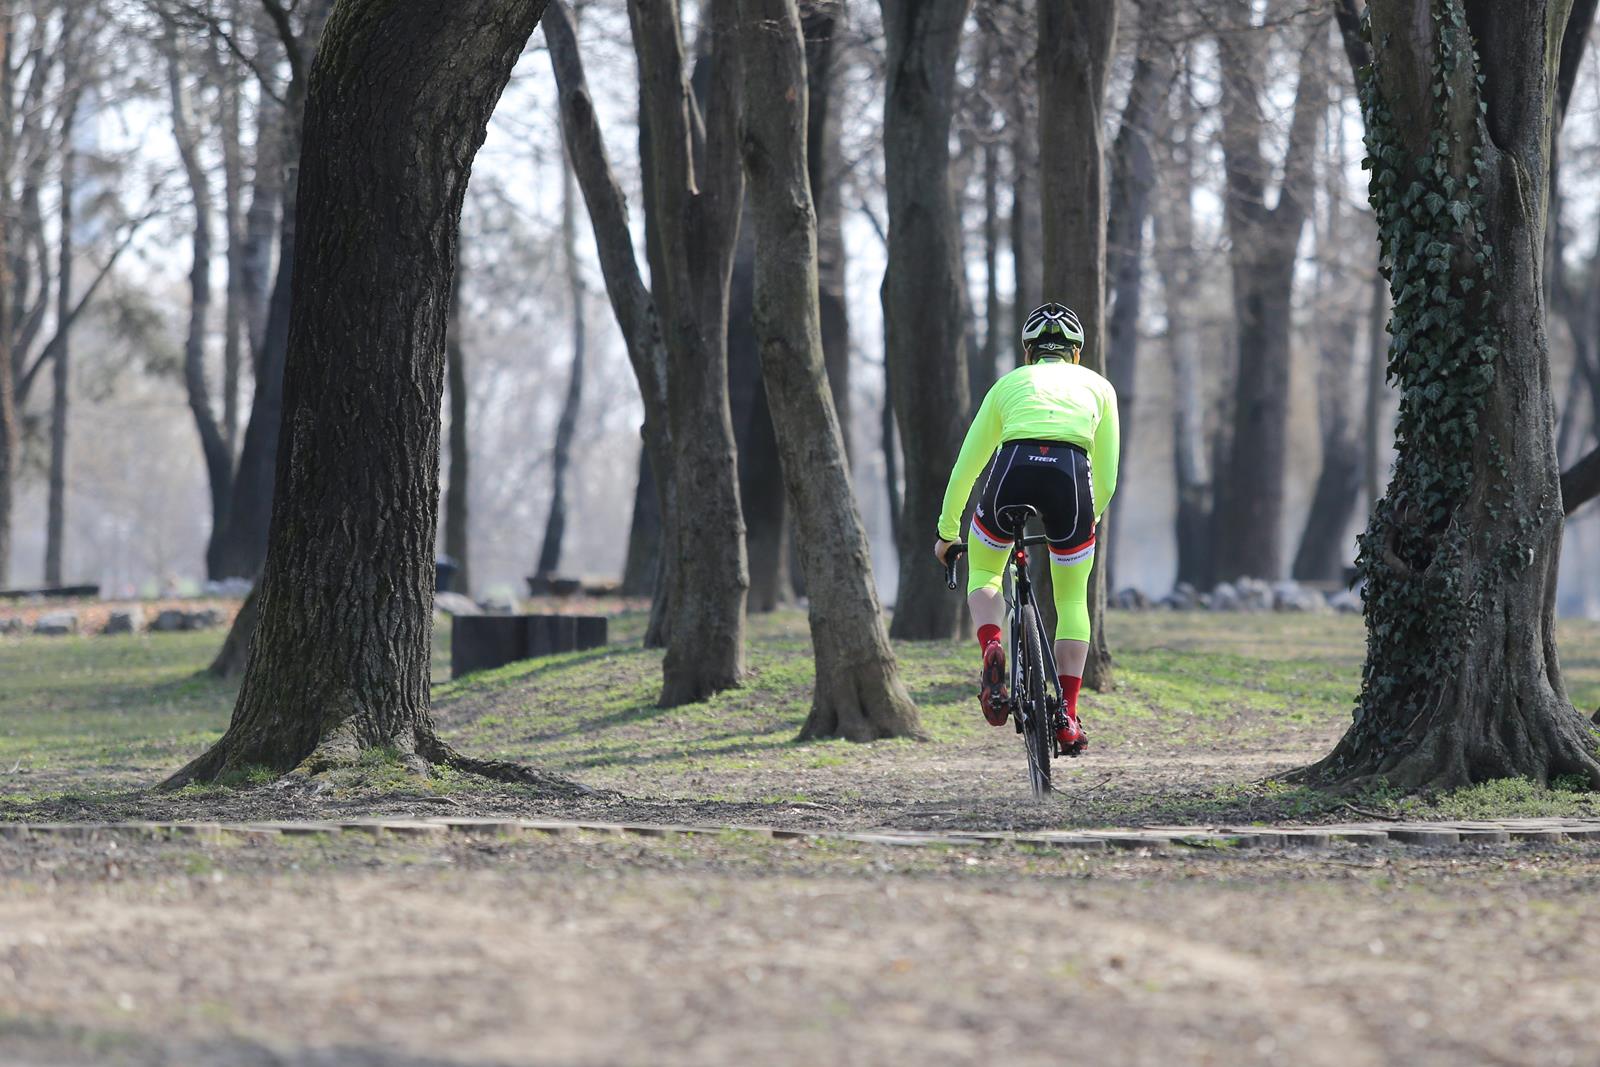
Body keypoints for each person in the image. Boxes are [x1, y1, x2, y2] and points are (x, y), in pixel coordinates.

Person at [933, 302, 1119, 753]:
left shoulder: (1009, 385)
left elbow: (967, 466)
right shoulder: (1099, 387)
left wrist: (946, 532)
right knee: (1072, 598)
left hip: (1013, 467)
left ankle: (993, 645)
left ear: (1029, 352)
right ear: (1076, 353)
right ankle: (1069, 718)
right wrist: (1086, 523)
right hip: (1071, 476)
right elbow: (1109, 474)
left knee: (985, 571)